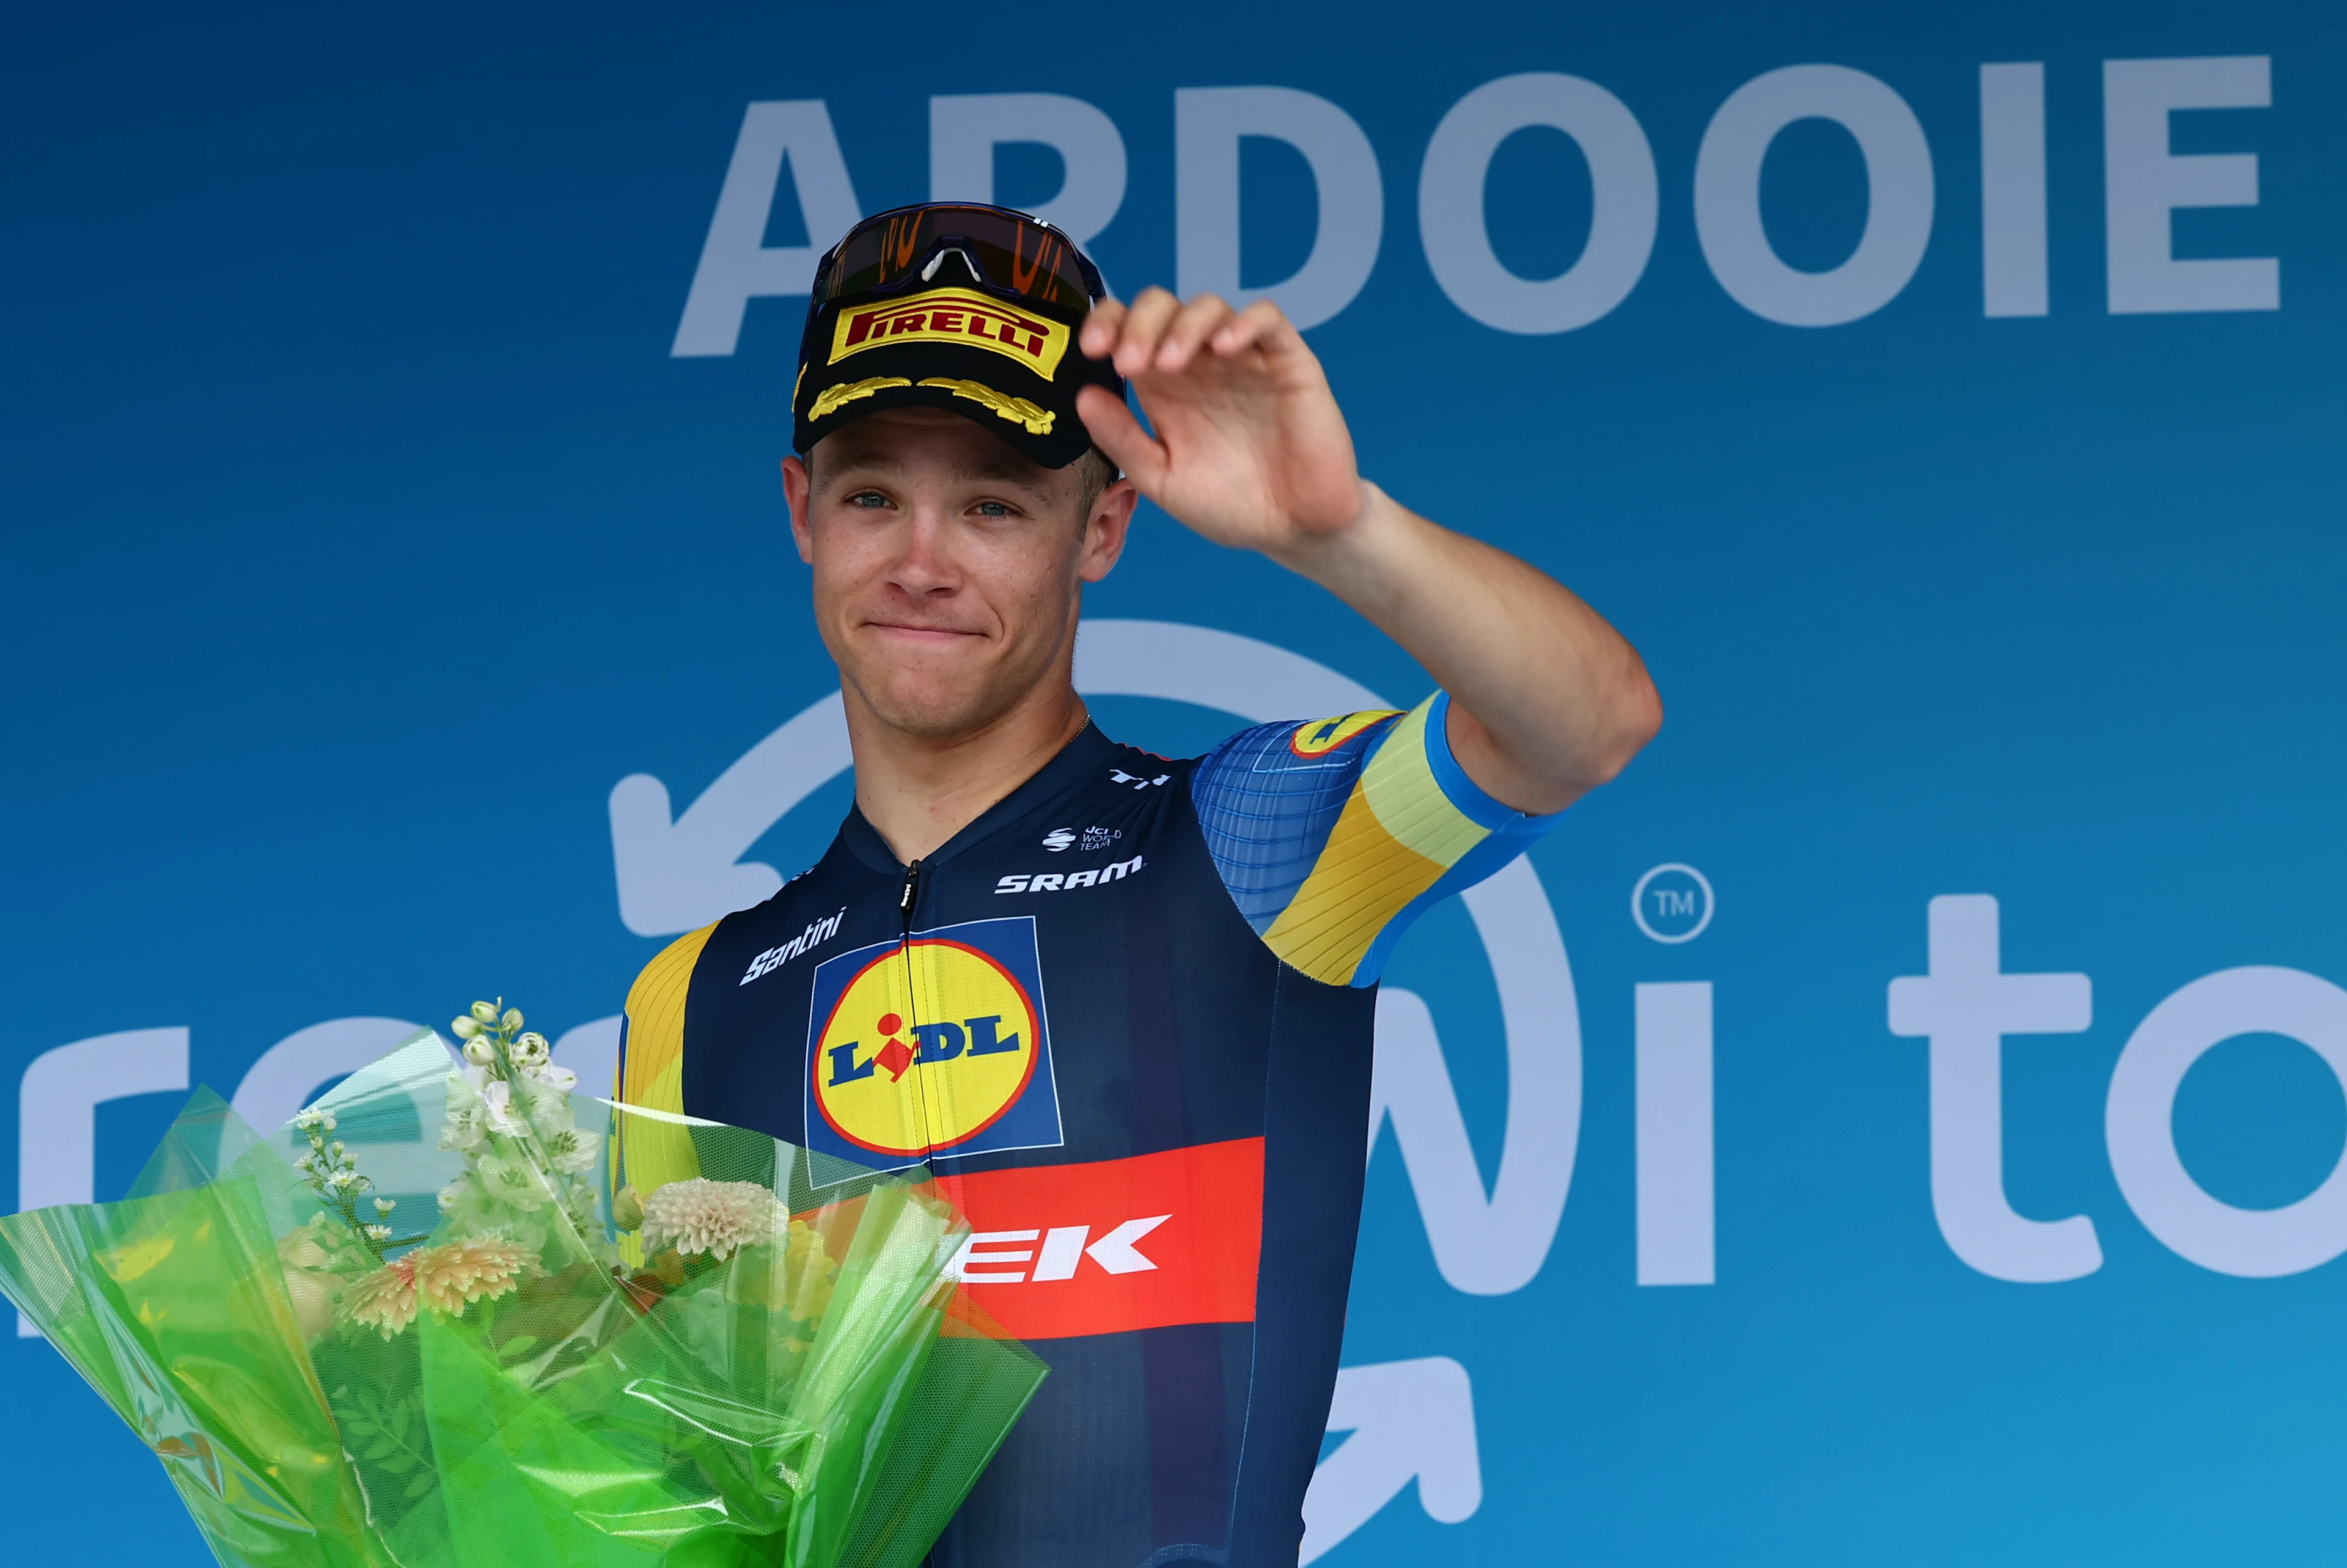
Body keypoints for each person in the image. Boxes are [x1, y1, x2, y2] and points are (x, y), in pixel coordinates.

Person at [615, 202, 1661, 1568]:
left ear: (1102, 525)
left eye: (994, 502)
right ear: (804, 510)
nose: (922, 561)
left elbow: (1589, 724)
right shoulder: (690, 996)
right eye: (874, 493)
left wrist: (1339, 531)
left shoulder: (1245, 844)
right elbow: (660, 1482)